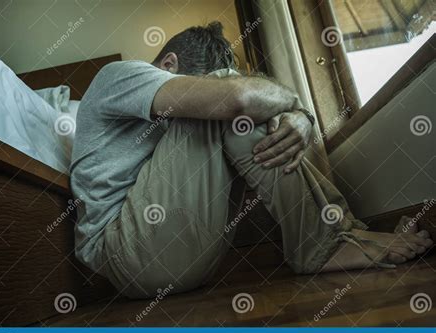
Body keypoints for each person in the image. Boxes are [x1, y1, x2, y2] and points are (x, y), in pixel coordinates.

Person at [70, 22, 432, 299]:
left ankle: (344, 233)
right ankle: (324, 246)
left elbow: (246, 107)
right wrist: (294, 104)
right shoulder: (119, 75)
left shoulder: (168, 138)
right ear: (168, 64)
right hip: (124, 251)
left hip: (169, 256)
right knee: (230, 95)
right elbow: (238, 97)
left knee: (244, 112)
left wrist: (301, 117)